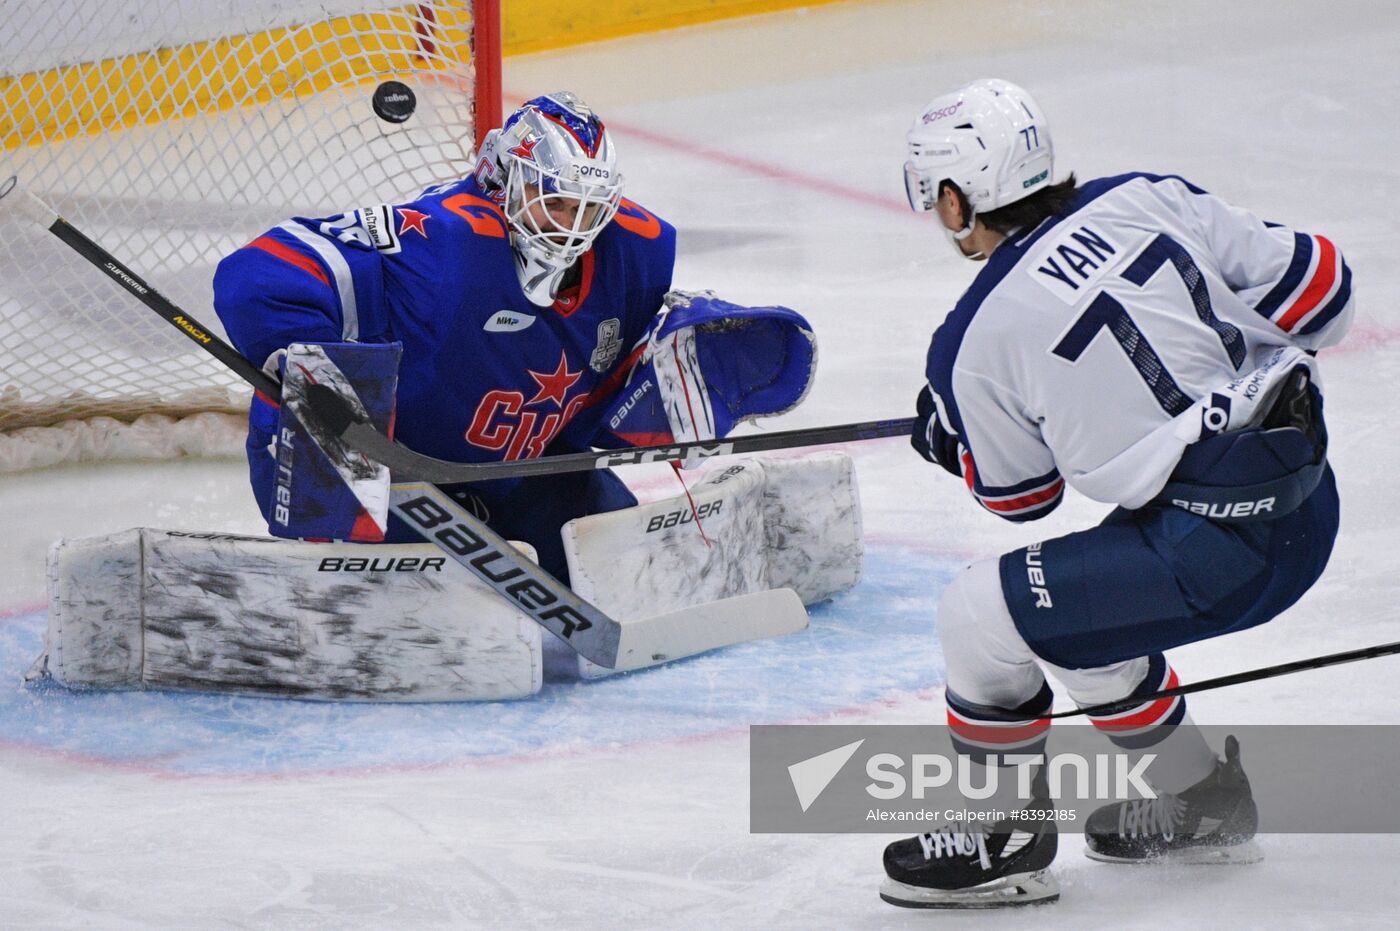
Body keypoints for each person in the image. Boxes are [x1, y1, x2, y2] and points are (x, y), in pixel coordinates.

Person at [880, 78, 1351, 908]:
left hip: (1210, 558)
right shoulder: (1147, 196)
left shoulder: (971, 341)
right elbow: (1326, 293)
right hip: (1310, 512)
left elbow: (1023, 499)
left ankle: (1003, 834)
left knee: (979, 615)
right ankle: (1204, 799)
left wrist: (952, 442)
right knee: (1077, 615)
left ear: (957, 201)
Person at [213, 91, 814, 583]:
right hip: (396, 486)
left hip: (524, 474)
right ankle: (334, 554)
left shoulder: (638, 250)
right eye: (553, 200)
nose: (573, 225)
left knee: (625, 572)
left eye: (589, 206)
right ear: (501, 178)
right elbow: (251, 279)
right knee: (403, 584)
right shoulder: (441, 244)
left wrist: (659, 387)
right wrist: (327, 398)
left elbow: (592, 409)